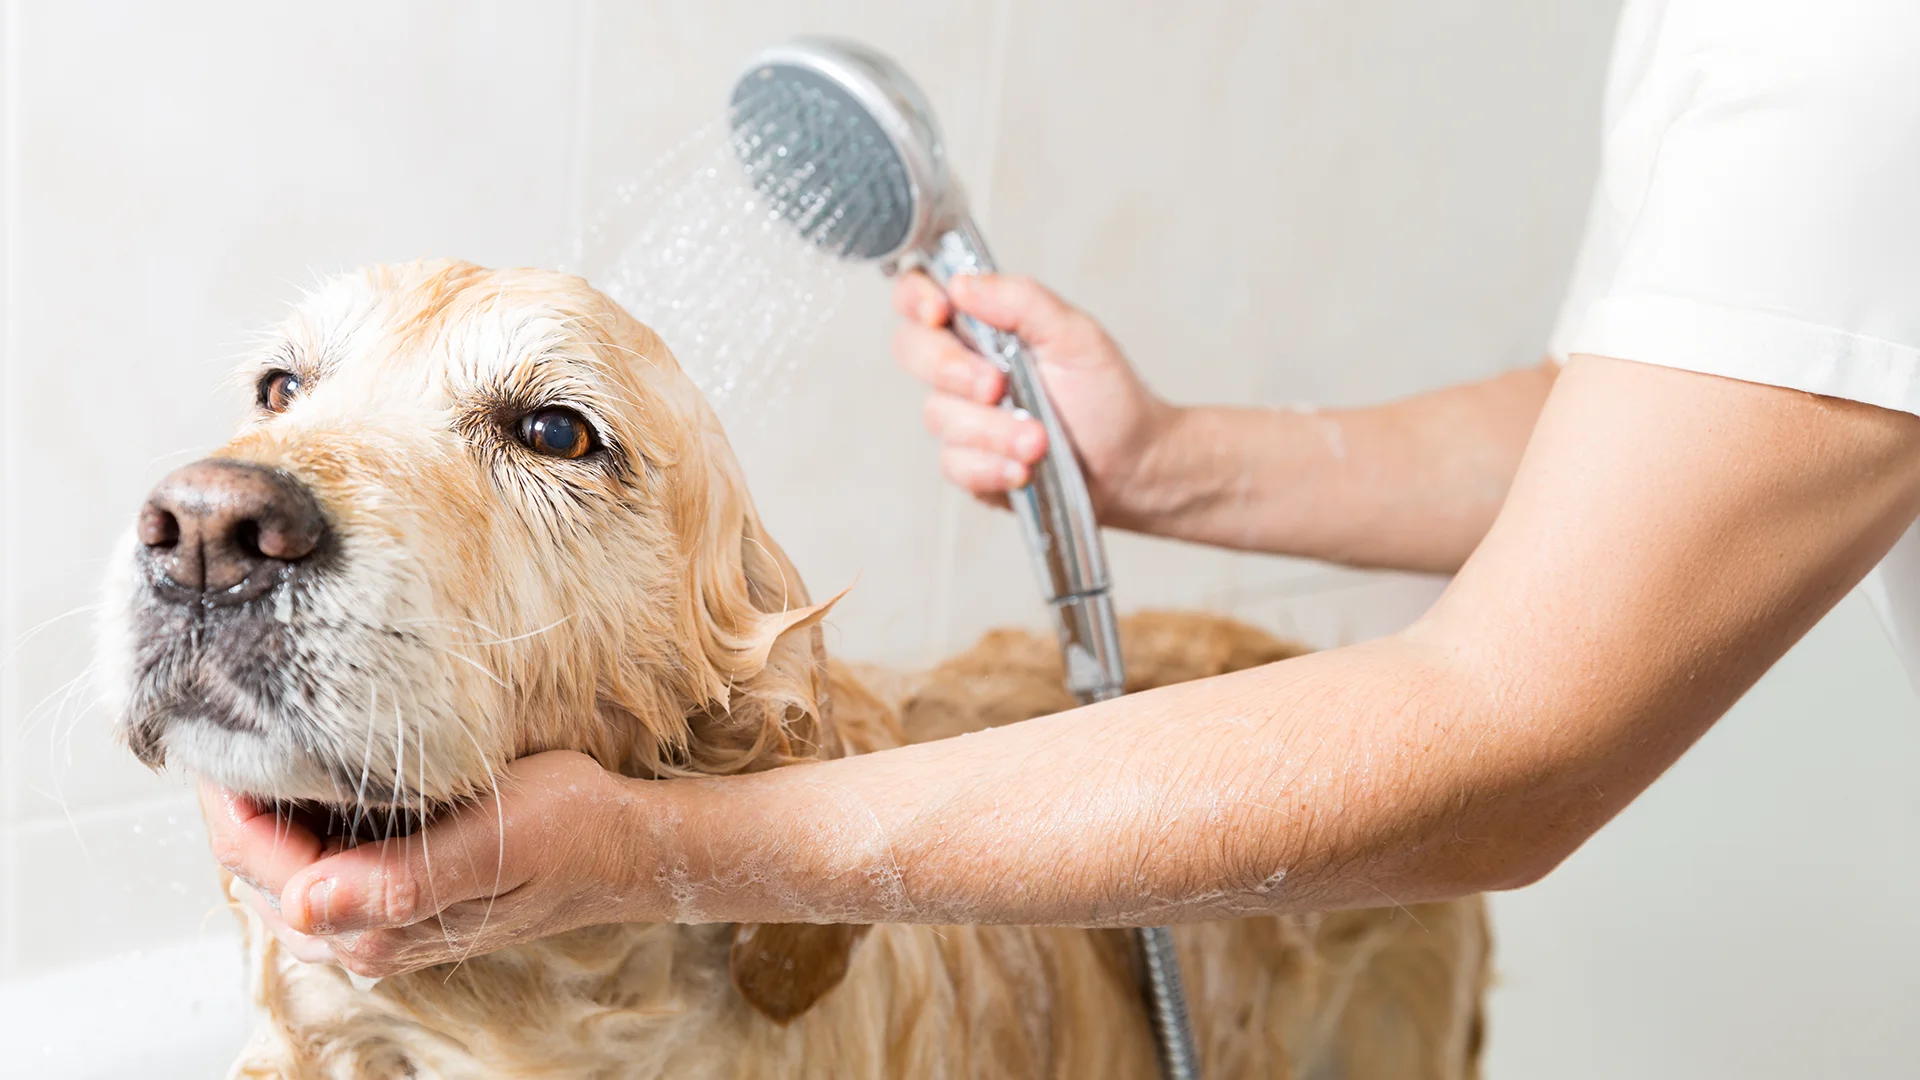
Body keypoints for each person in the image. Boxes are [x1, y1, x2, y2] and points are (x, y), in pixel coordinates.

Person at [209, 0, 1920, 977]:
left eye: (549, 434)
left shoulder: (1850, 62)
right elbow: (1718, 406)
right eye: (289, 391)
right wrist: (1174, 464)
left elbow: (1524, 737)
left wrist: (668, 853)